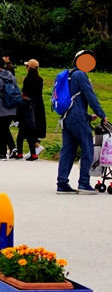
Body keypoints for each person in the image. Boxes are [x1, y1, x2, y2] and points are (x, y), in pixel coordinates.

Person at [56, 50, 107, 194]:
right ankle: (84, 183)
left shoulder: (69, 75)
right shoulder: (80, 75)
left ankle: (62, 183)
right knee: (87, 149)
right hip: (78, 119)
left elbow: (75, 100)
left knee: (68, 150)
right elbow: (90, 97)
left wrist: (89, 116)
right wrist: (101, 115)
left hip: (66, 118)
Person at [16, 59, 46, 160]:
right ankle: (34, 150)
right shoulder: (40, 79)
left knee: (23, 130)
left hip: (28, 106)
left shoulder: (27, 79)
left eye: (27, 66)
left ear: (29, 67)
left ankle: (26, 151)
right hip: (38, 106)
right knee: (33, 129)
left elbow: (25, 94)